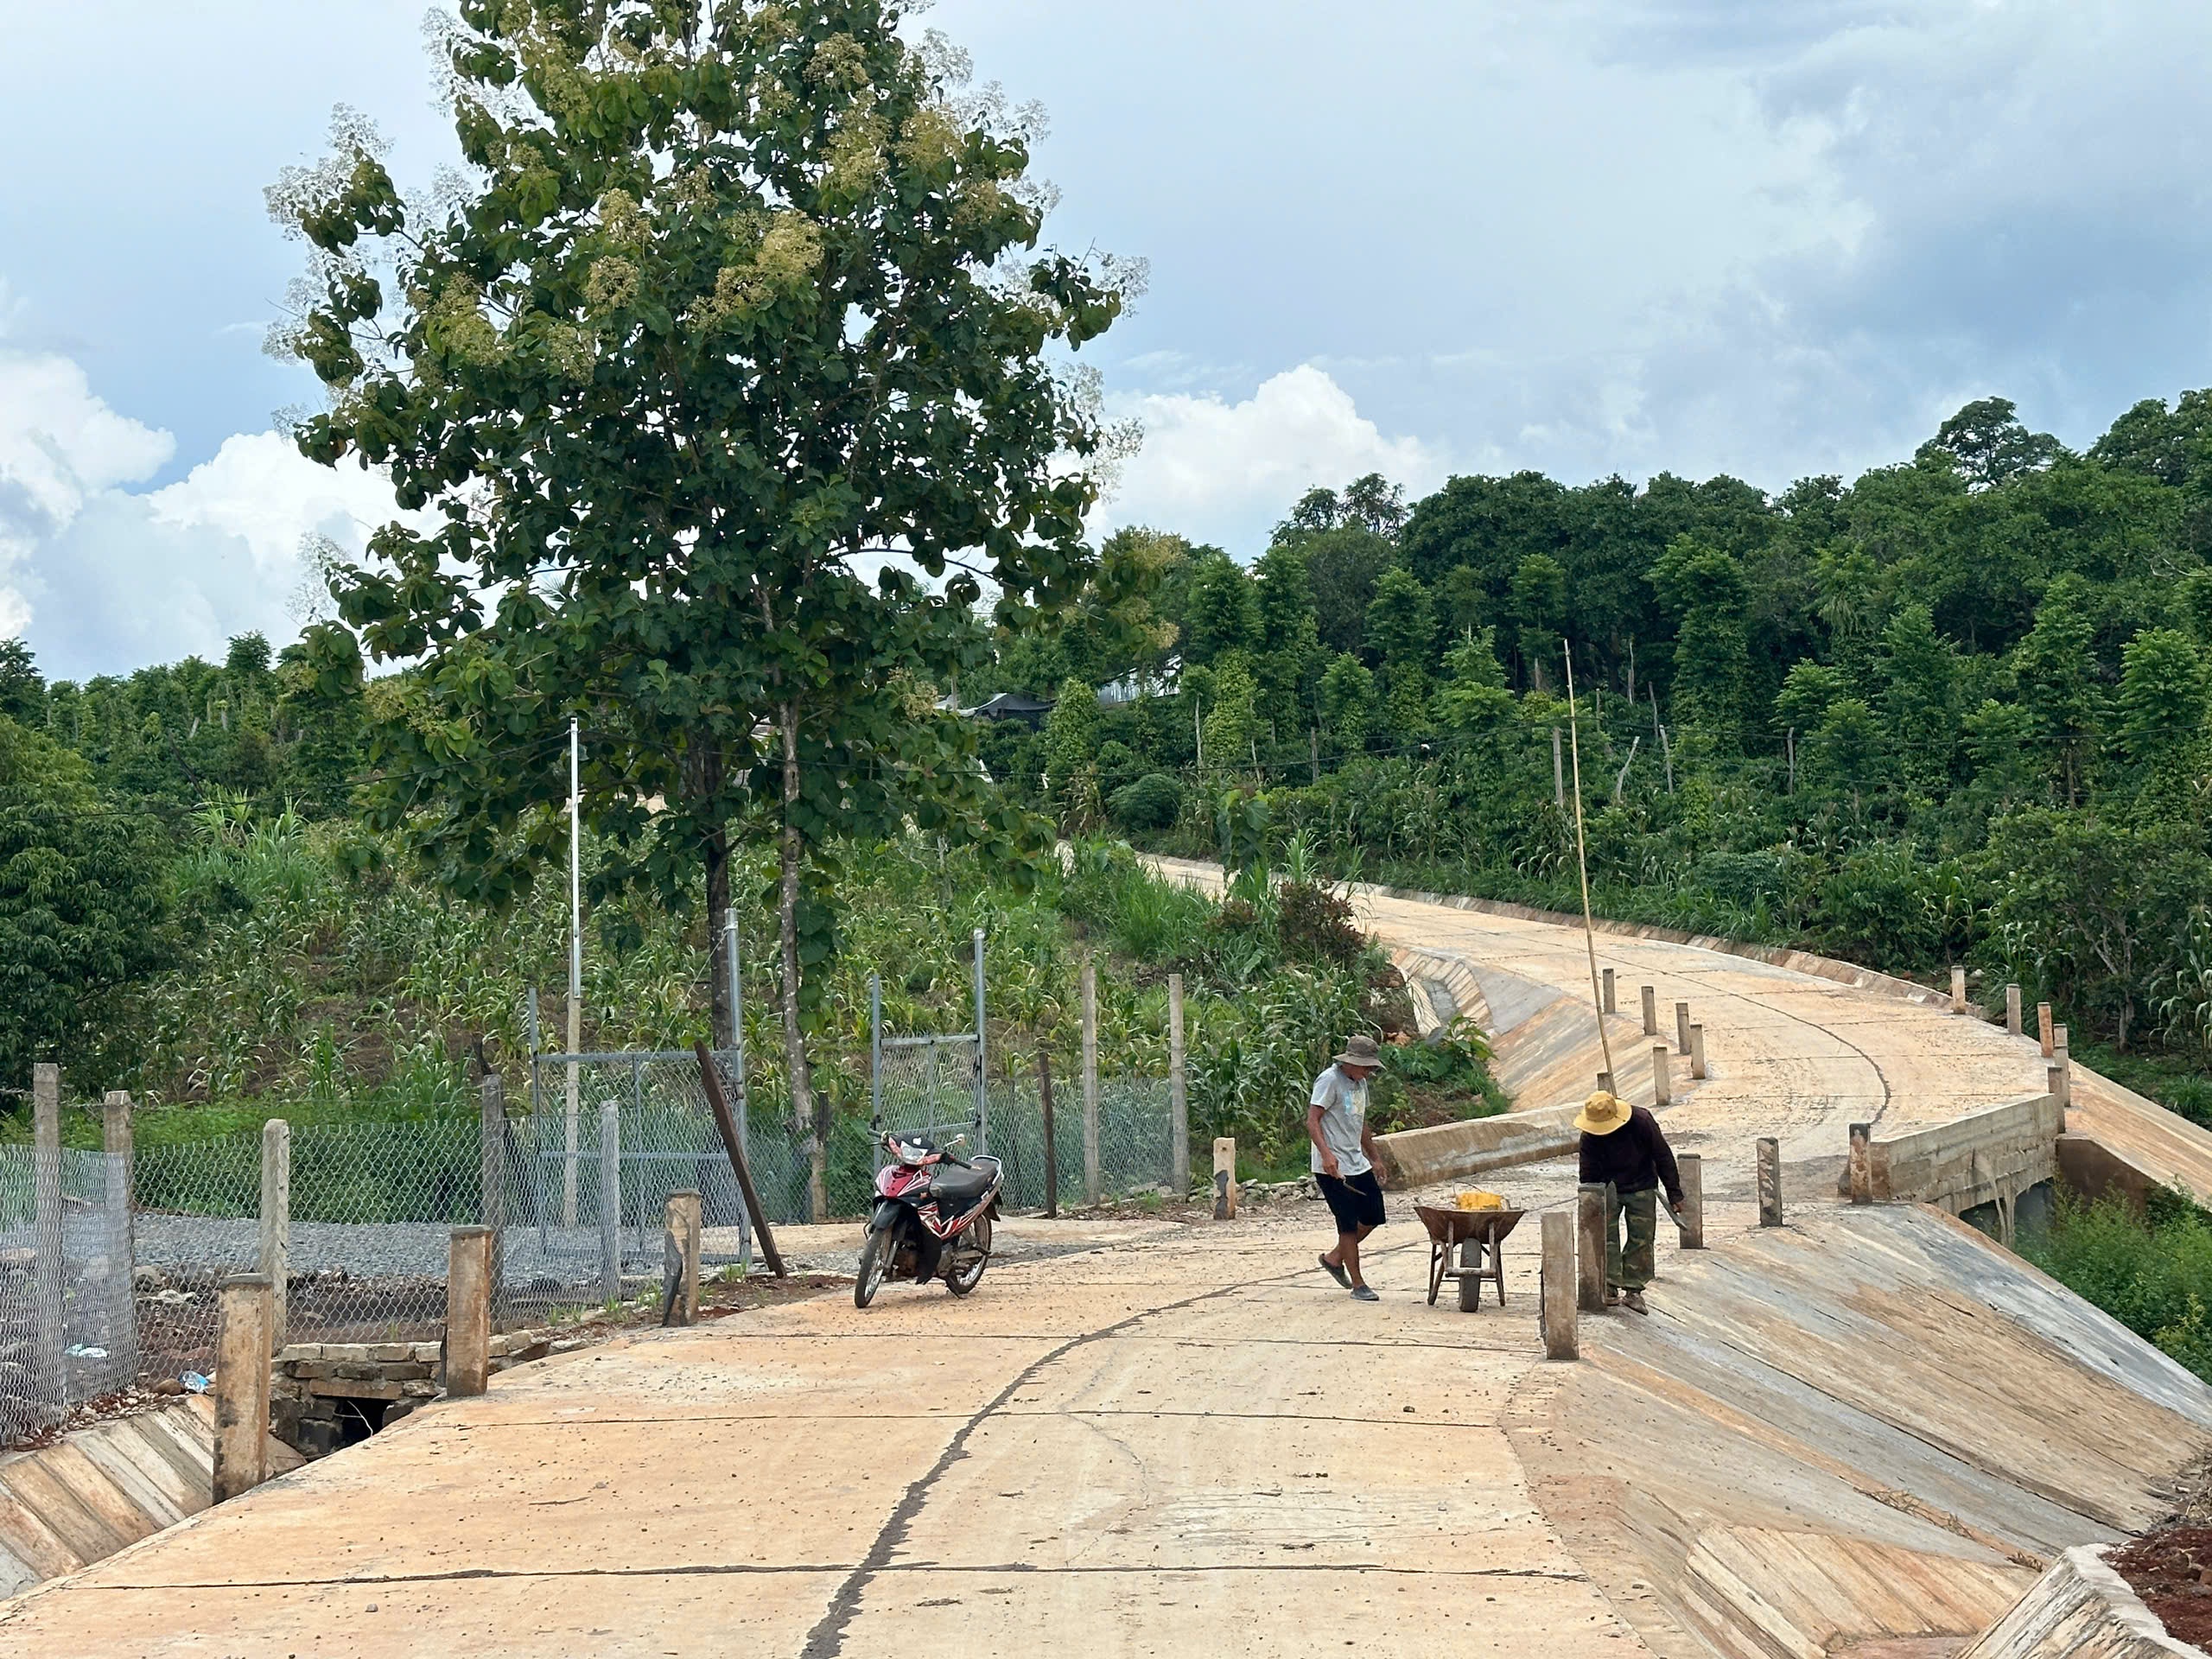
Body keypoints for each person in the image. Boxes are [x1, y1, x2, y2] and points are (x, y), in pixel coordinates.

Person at [1573, 1089, 1682, 1315]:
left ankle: (1634, 1291)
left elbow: (1663, 1155)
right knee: (1605, 1237)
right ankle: (1609, 1286)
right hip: (1607, 1187)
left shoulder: (1641, 1122)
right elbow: (1587, 1172)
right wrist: (1591, 1200)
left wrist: (1674, 1194)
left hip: (1641, 1184)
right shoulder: (1589, 1137)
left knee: (1641, 1238)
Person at [1310, 1033, 1388, 1302]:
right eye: (1365, 1066)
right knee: (1347, 1225)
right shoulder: (1329, 1080)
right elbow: (1312, 1120)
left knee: (1373, 1215)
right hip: (1332, 1167)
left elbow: (1361, 1122)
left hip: (1357, 1162)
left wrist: (1375, 1157)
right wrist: (1326, 1155)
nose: (1368, 1072)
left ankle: (1334, 1258)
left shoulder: (1360, 1084)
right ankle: (1358, 1284)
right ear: (1350, 1062)